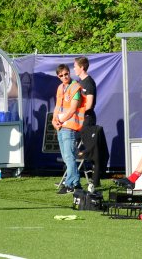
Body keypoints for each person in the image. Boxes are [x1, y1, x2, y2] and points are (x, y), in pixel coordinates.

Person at [52, 64, 84, 194]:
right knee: (66, 157)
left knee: (69, 157)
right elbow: (57, 106)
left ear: (69, 73)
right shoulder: (60, 87)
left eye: (66, 74)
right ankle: (77, 184)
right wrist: (54, 121)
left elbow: (73, 108)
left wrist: (62, 120)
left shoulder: (75, 87)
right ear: (58, 77)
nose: (64, 77)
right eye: (61, 75)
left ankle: (70, 184)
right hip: (60, 126)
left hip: (69, 126)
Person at [72, 56, 102, 192]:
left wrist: (76, 111)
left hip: (87, 120)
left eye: (75, 66)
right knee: (75, 146)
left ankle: (94, 180)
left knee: (90, 150)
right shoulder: (78, 83)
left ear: (82, 67)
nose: (73, 69)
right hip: (78, 120)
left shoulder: (89, 83)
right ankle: (74, 177)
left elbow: (89, 105)